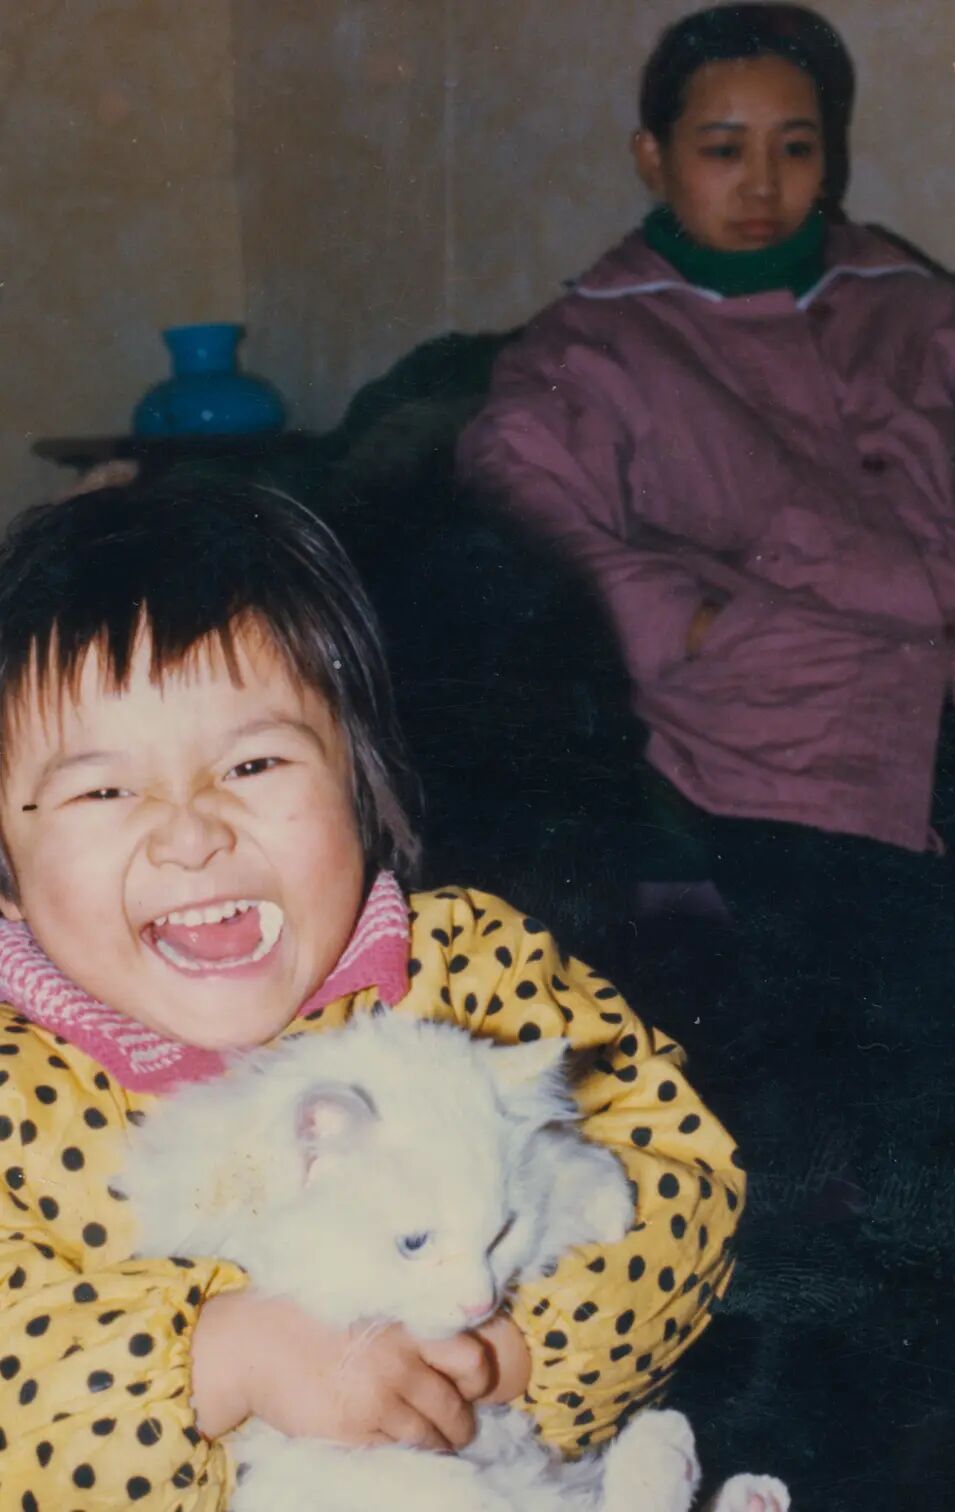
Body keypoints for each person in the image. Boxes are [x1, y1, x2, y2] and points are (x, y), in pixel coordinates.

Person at [457, 2, 955, 1500]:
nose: (761, 182)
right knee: (935, 1011)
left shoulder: (909, 305)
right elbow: (515, 499)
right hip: (787, 738)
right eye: (722, 147)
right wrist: (692, 626)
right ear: (652, 156)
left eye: (795, 148)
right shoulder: (599, 343)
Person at [0, 477, 744, 1504]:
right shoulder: (15, 1095)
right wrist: (220, 1362)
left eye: (253, 764)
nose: (191, 833)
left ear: (360, 784)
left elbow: (683, 1173)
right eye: (104, 788)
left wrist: (514, 1351)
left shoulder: (477, 972)